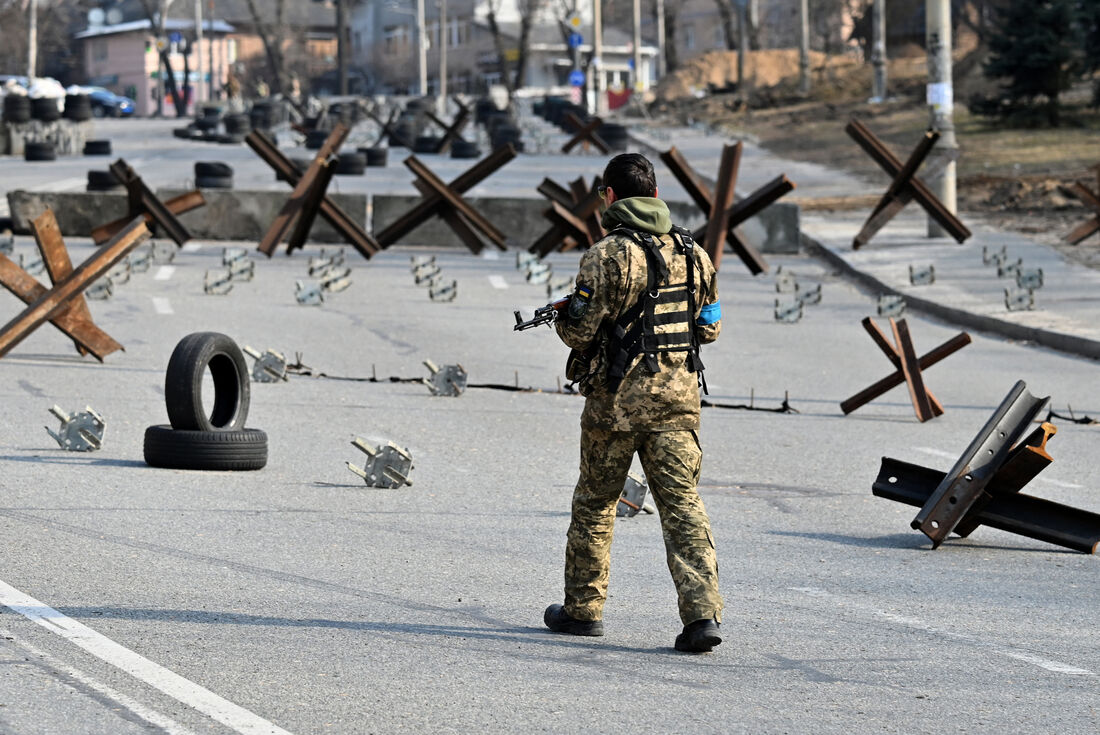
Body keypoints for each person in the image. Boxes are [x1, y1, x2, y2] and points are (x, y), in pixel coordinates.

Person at [543, 153, 724, 653]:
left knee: (596, 504)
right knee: (683, 507)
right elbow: (710, 326)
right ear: (656, 195)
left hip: (615, 409)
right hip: (679, 406)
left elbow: (578, 331)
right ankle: (702, 616)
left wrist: (565, 317)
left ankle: (582, 611)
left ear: (609, 197)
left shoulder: (606, 256)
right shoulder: (696, 255)